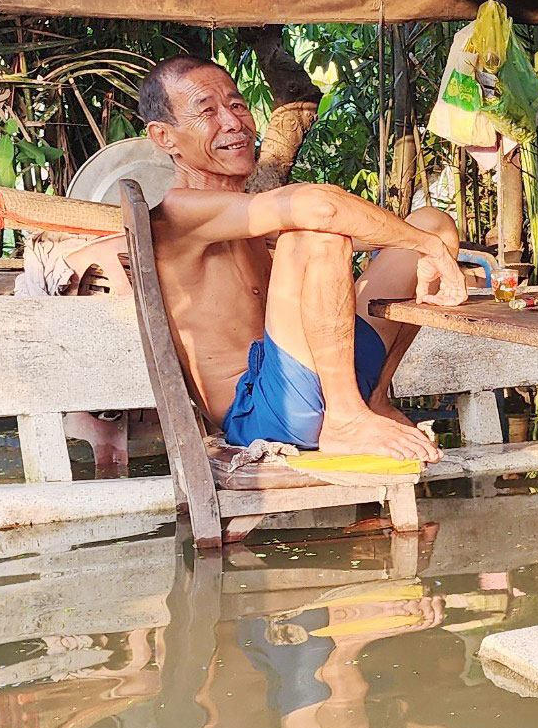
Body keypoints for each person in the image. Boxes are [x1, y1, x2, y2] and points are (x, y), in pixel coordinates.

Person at [123, 56, 465, 463]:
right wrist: (428, 249)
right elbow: (319, 210)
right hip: (266, 410)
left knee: (432, 222)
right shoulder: (180, 211)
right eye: (207, 111)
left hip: (318, 375)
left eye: (236, 105)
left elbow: (348, 217)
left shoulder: (241, 211)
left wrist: (428, 244)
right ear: (164, 136)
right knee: (315, 234)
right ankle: (346, 418)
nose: (233, 123)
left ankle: (372, 400)